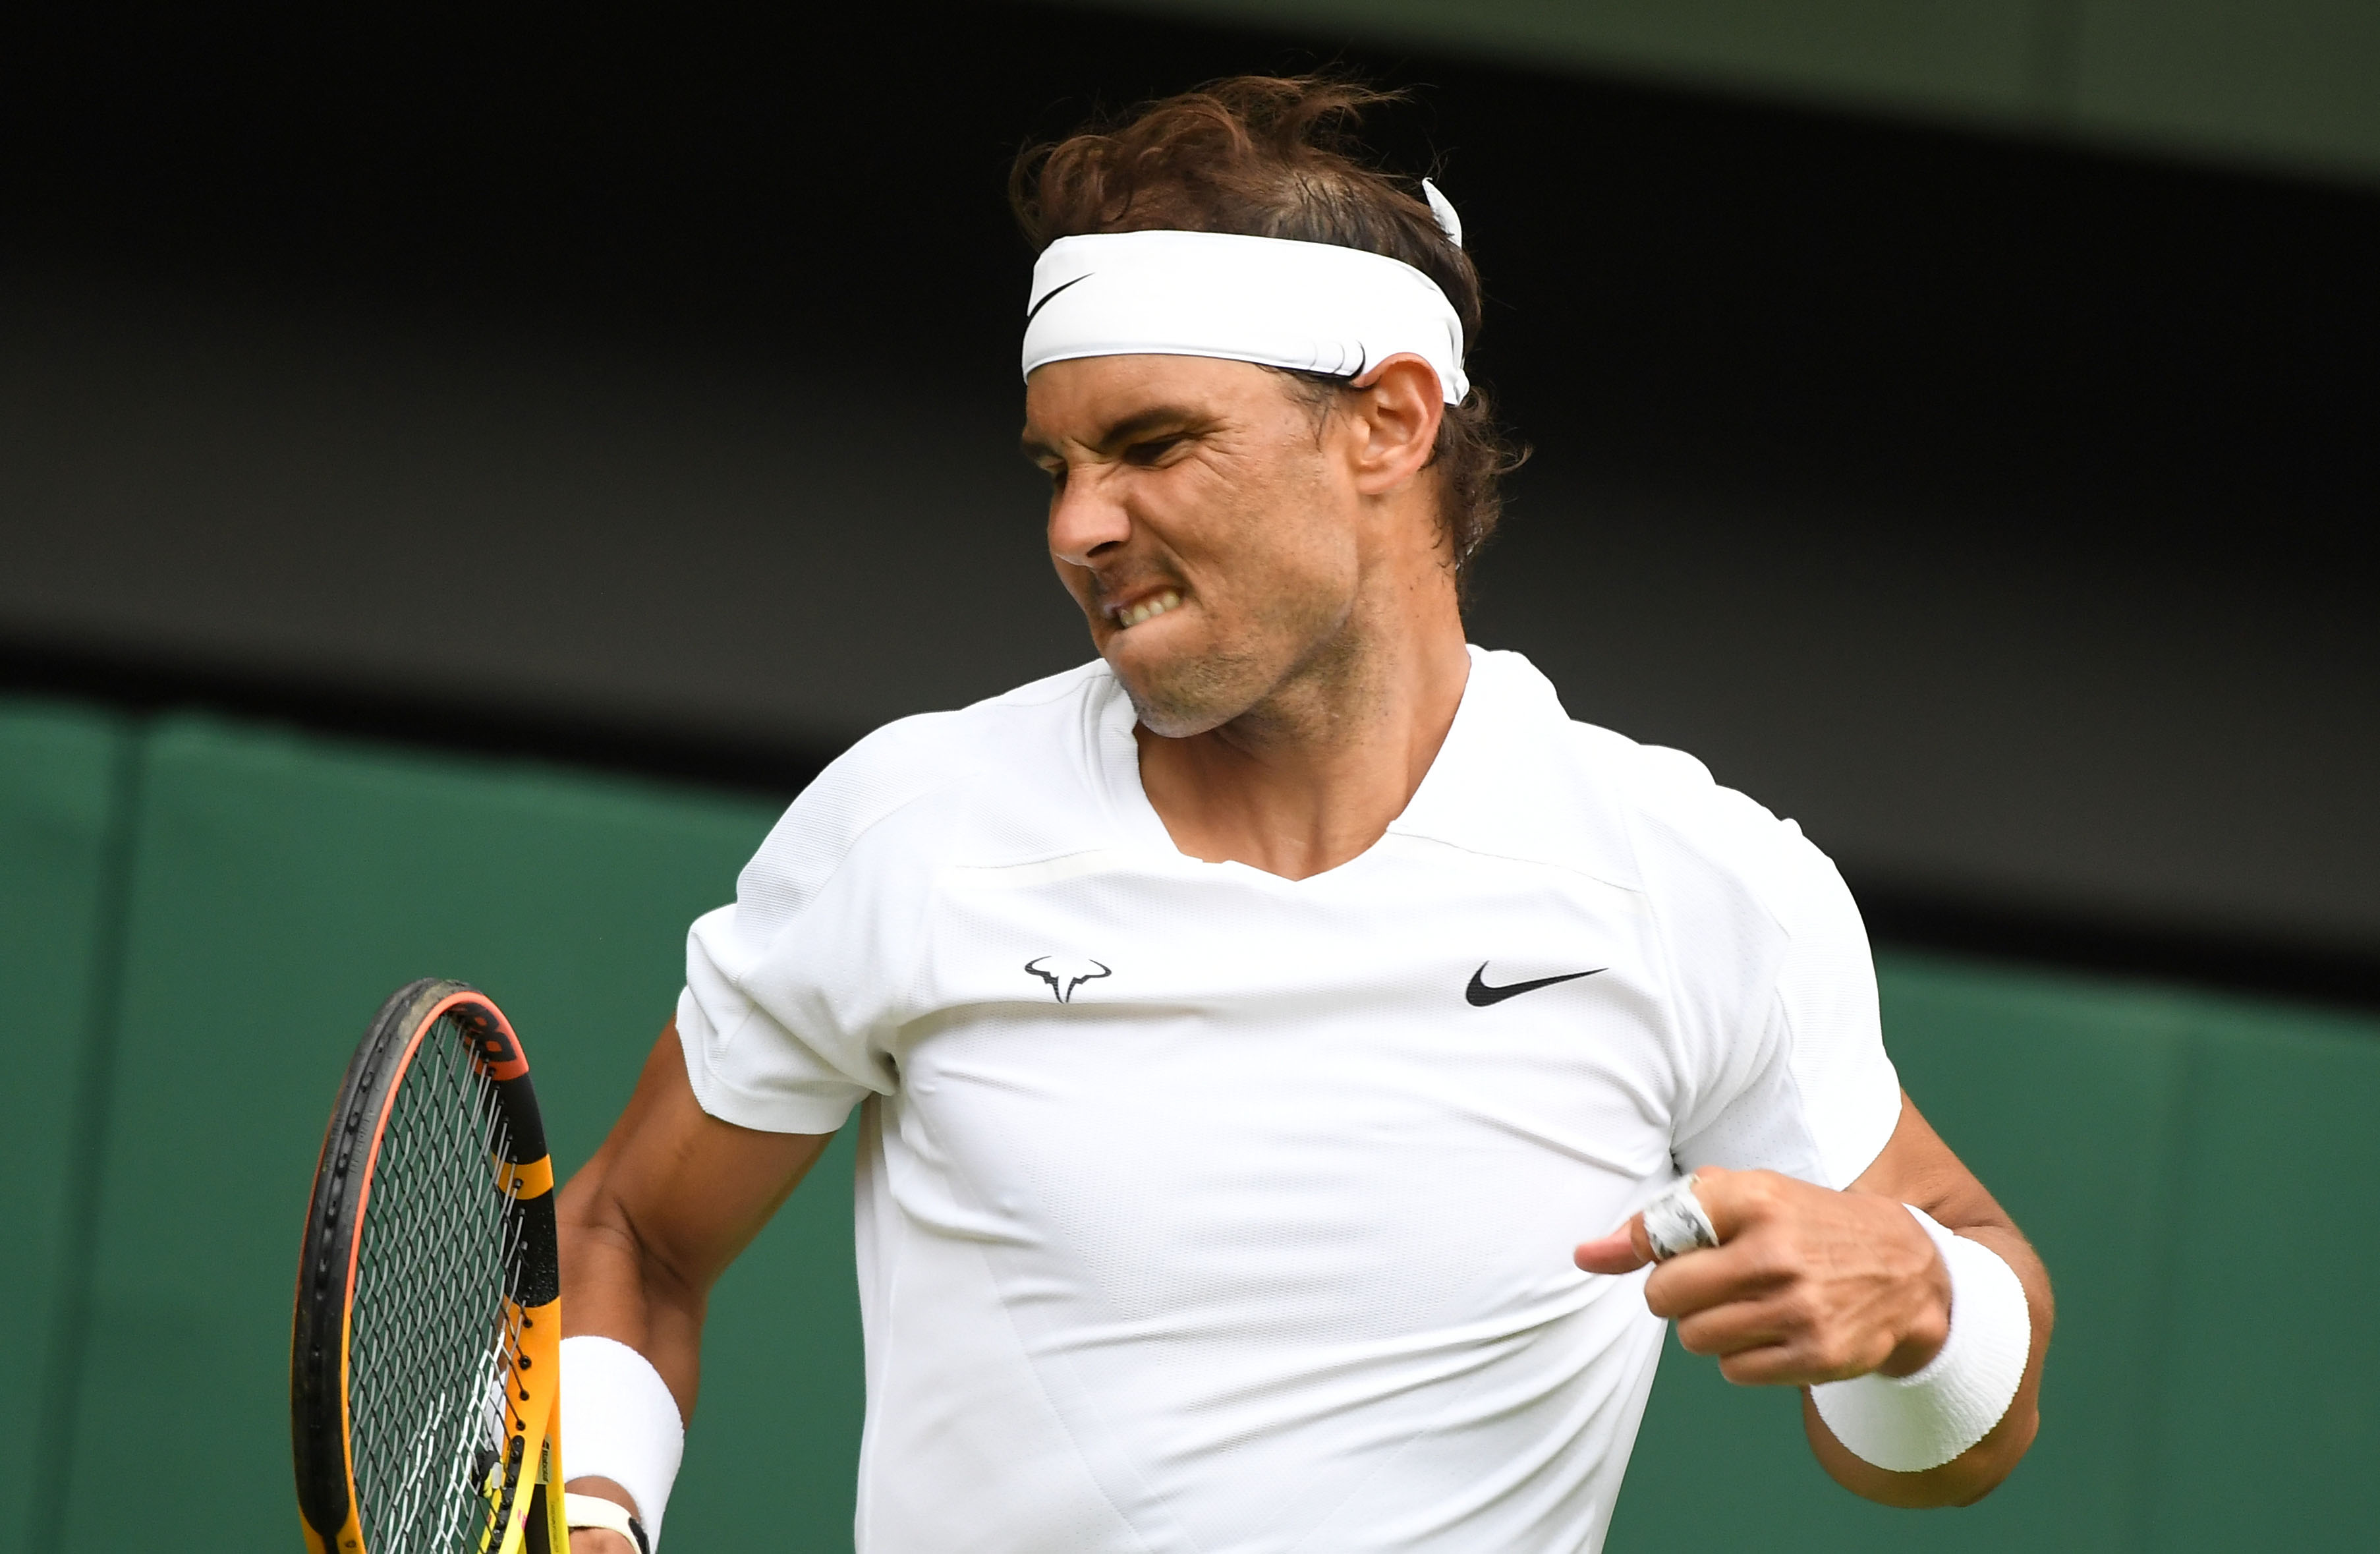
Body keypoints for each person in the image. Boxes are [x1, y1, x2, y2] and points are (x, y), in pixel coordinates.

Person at [552, 76, 2052, 1554]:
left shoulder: (1697, 883)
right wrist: (595, 1510)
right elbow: (632, 1232)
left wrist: (1923, 1307)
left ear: (1389, 424)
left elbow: (1957, 1452)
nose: (1077, 525)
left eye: (1150, 446)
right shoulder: (911, 829)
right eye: (1055, 467)